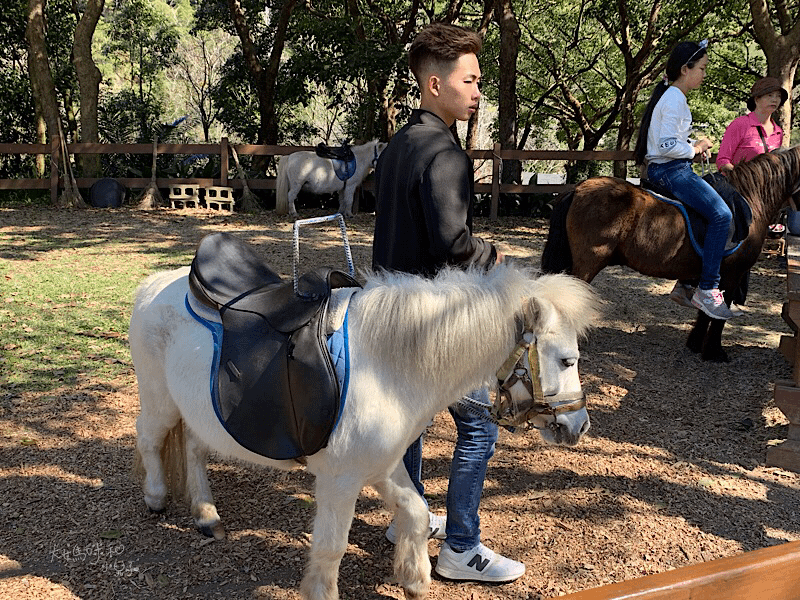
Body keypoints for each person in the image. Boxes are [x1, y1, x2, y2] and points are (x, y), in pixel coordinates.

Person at [371, 22, 524, 584]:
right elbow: (452, 245)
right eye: (471, 79)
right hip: (435, 321)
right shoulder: (446, 154)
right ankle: (461, 546)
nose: (478, 89)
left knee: (411, 424)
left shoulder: (397, 146)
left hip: (387, 312)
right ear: (435, 85)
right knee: (480, 428)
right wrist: (496, 256)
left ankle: (404, 522)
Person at [633, 40, 736, 320]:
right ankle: (708, 288)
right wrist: (695, 148)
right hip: (671, 170)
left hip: (666, 168)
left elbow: (667, 140)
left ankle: (686, 281)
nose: (704, 74)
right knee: (721, 215)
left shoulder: (671, 96)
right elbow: (666, 146)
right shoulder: (676, 98)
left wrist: (691, 143)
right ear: (684, 69)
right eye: (701, 68)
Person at [716, 77, 787, 173]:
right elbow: (722, 161)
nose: (774, 99)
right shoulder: (740, 124)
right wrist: (743, 178)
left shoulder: (778, 132)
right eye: (770, 95)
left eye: (778, 96)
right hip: (737, 185)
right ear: (757, 99)